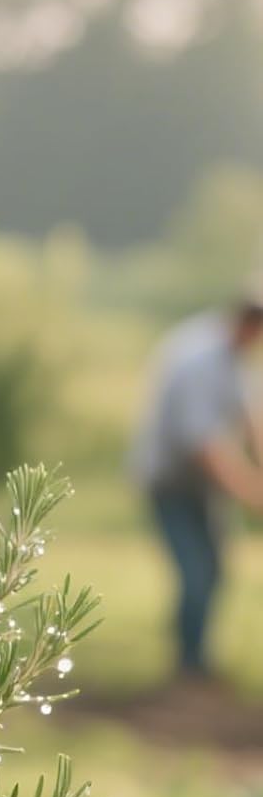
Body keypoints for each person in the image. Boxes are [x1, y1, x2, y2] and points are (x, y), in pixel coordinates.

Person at [130, 288, 263, 686]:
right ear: (250, 325)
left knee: (216, 571)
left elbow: (251, 423)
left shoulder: (236, 360)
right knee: (196, 572)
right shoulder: (196, 360)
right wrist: (252, 493)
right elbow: (203, 447)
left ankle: (197, 659)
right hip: (170, 484)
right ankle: (187, 667)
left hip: (203, 488)